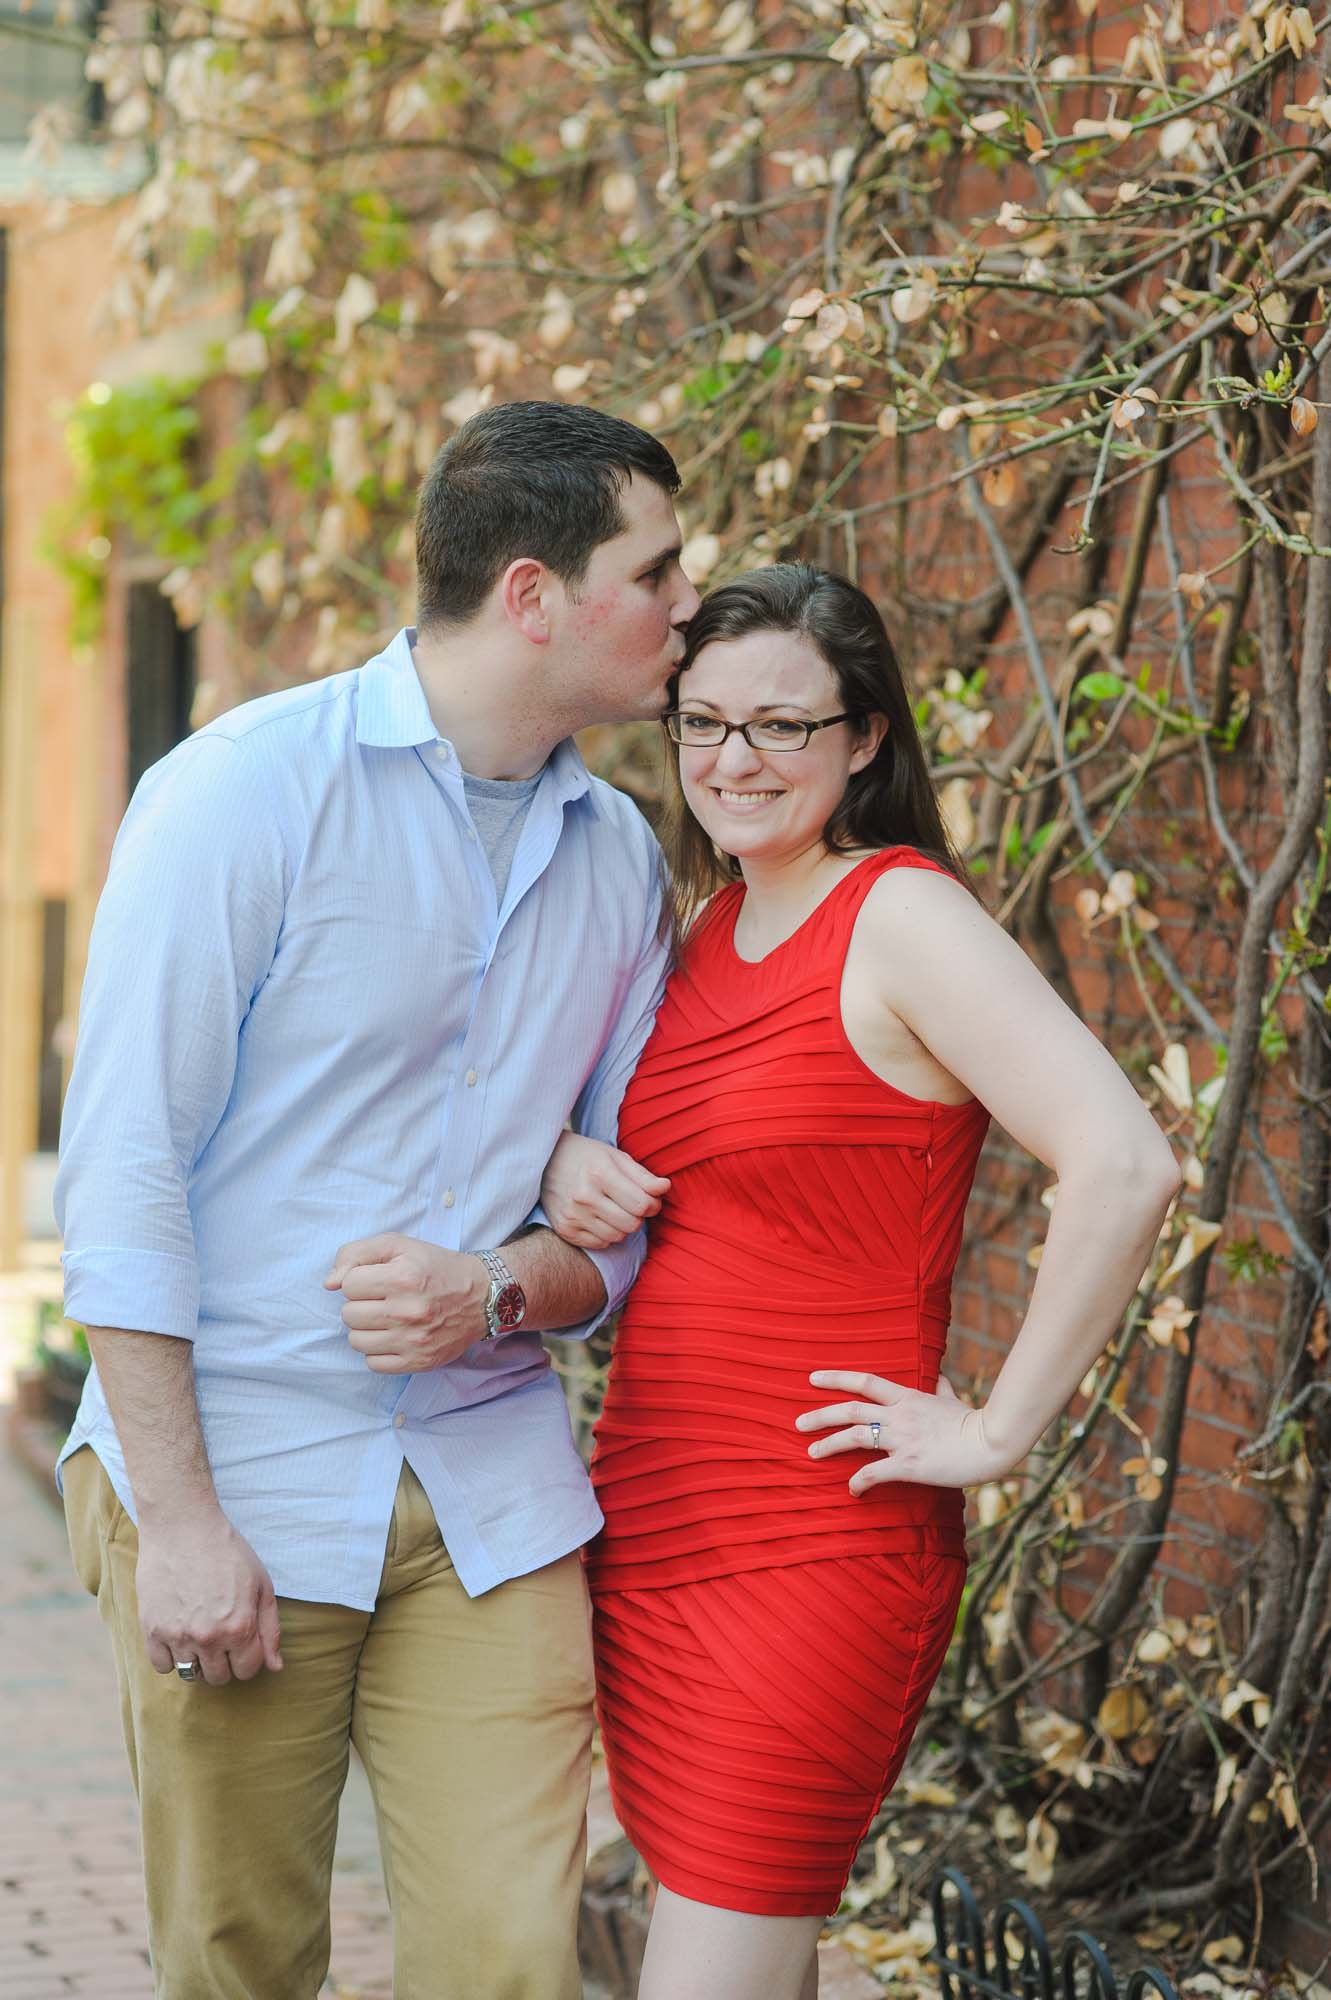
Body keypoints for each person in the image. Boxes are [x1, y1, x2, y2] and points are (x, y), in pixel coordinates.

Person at [54, 398, 699, 2000]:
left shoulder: (619, 857)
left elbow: (611, 1232)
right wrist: (182, 1522)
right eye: (659, 570)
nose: (688, 607)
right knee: (239, 1959)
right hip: (239, 1466)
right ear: (537, 595)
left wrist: (495, 1288)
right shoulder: (243, 797)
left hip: (491, 1492)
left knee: (512, 1965)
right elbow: (123, 1169)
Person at [540, 563, 1182, 2000]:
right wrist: (569, 1167)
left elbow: (1125, 1164)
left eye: (781, 726)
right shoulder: (700, 929)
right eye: (702, 724)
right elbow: (686, 1196)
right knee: (753, 1959)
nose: (732, 762)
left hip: (815, 1543)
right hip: (652, 1517)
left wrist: (995, 1434)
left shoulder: (899, 917)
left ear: (865, 738)